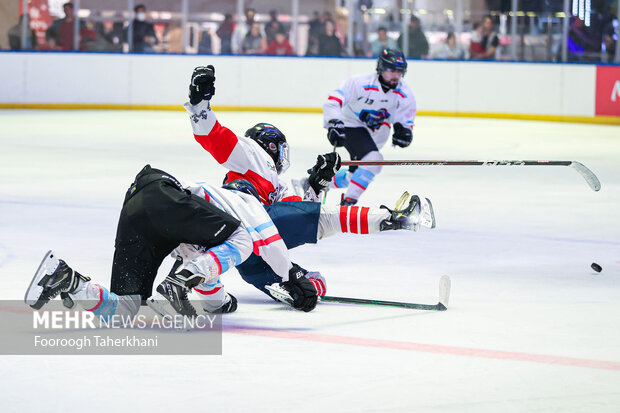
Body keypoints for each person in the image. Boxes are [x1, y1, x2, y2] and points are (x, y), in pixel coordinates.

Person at [185, 66, 435, 303]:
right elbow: (213, 136)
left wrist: (319, 182)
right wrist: (199, 104)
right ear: (271, 146)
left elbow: (303, 215)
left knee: (315, 284)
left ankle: (284, 289)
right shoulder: (252, 155)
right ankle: (396, 218)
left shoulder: (275, 185)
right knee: (327, 217)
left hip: (250, 259)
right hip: (252, 229)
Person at [25, 164, 319, 318]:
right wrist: (290, 274)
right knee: (244, 239)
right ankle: (176, 285)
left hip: (138, 203)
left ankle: (66, 279)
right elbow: (267, 240)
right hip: (161, 192)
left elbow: (207, 278)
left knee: (126, 309)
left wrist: (223, 304)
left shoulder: (199, 245)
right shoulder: (241, 198)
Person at [317, 49, 416, 206]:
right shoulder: (359, 83)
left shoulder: (405, 93)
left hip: (376, 133)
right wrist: (334, 122)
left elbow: (405, 120)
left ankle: (314, 183)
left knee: (357, 174)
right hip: (351, 125)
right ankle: (348, 203)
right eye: (391, 70)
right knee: (374, 160)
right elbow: (333, 101)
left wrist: (404, 132)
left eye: (399, 71)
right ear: (381, 68)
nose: (395, 75)